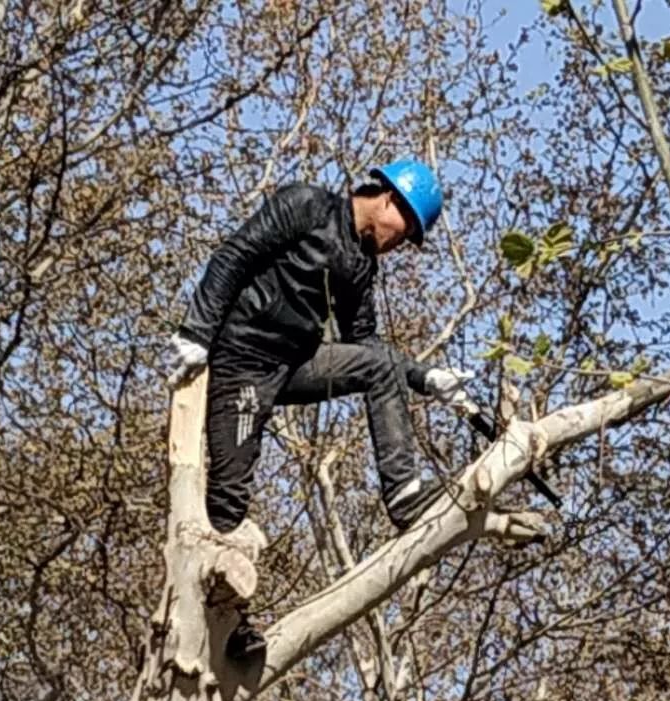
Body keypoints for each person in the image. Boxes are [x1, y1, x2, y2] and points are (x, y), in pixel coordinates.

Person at [166, 160, 485, 657]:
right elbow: (235, 255)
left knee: (377, 366)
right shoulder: (306, 206)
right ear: (388, 200)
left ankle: (403, 494)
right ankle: (228, 633)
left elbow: (366, 345)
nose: (400, 245)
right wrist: (196, 331)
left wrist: (426, 378)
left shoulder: (361, 265)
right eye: (405, 232)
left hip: (295, 365)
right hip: (244, 363)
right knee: (228, 503)